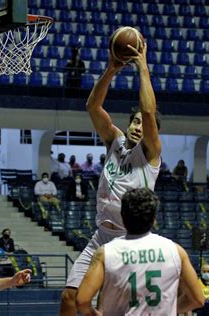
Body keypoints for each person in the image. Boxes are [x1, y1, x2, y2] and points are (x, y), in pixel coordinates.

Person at [60, 40, 162, 315]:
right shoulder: (115, 141)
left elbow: (150, 112)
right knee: (70, 298)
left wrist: (142, 67)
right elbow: (93, 107)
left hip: (131, 240)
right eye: (135, 121)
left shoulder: (151, 154)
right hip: (102, 236)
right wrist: (111, 69)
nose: (139, 126)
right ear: (128, 124)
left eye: (144, 124)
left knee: (120, 308)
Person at [76, 188, 204, 315]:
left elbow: (82, 301)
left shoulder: (105, 253)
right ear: (154, 219)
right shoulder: (176, 251)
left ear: (122, 217)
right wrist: (168, 309)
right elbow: (197, 300)